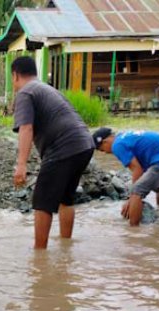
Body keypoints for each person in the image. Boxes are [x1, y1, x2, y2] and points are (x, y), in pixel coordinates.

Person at [10, 56, 94, 247]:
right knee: (66, 198)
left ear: (15, 75)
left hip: (63, 147)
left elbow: (26, 128)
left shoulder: (25, 93)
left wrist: (21, 165)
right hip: (84, 144)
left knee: (42, 201)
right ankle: (66, 246)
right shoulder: (46, 88)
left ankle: (39, 254)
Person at [92, 128, 159, 226]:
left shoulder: (117, 145)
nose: (105, 152)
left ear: (105, 141)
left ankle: (133, 231)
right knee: (157, 185)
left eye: (102, 149)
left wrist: (131, 200)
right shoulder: (124, 136)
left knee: (136, 190)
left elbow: (137, 170)